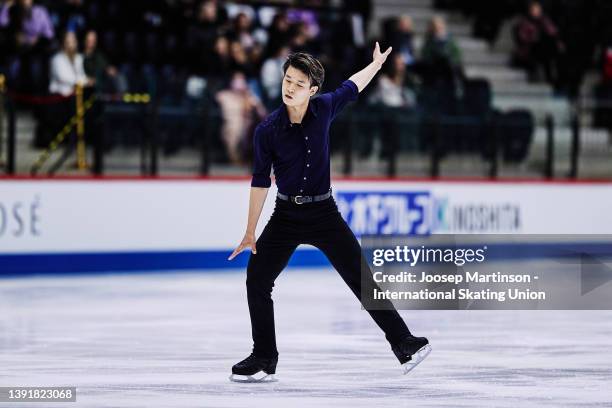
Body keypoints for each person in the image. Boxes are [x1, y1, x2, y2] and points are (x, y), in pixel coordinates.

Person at [227, 44, 431, 383]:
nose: (289, 88)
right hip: (286, 215)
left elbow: (352, 86)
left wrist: (377, 65)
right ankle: (264, 355)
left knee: (361, 278)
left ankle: (403, 343)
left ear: (312, 90)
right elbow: (261, 181)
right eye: (287, 80)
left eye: (298, 84)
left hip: (325, 213)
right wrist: (250, 231)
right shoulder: (267, 130)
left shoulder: (324, 108)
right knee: (257, 279)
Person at [512, 1, 564, 85]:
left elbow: (553, 32)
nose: (536, 11)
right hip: (529, 48)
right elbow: (522, 37)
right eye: (534, 9)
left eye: (538, 9)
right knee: (538, 51)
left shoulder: (545, 20)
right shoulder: (525, 21)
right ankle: (534, 74)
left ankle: (551, 77)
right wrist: (534, 37)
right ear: (530, 10)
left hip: (543, 48)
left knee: (549, 50)